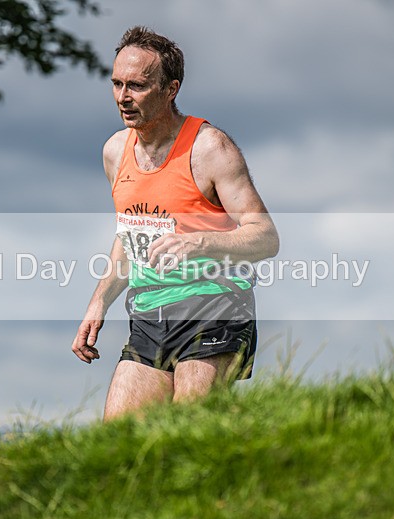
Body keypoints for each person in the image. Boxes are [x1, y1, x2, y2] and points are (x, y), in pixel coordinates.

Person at [71, 26, 279, 420]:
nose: (123, 97)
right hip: (149, 314)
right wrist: (98, 302)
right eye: (116, 83)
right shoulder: (115, 152)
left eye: (137, 85)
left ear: (171, 89)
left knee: (190, 434)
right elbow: (130, 234)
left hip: (215, 306)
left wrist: (201, 243)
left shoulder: (210, 148)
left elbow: (265, 237)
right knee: (120, 443)